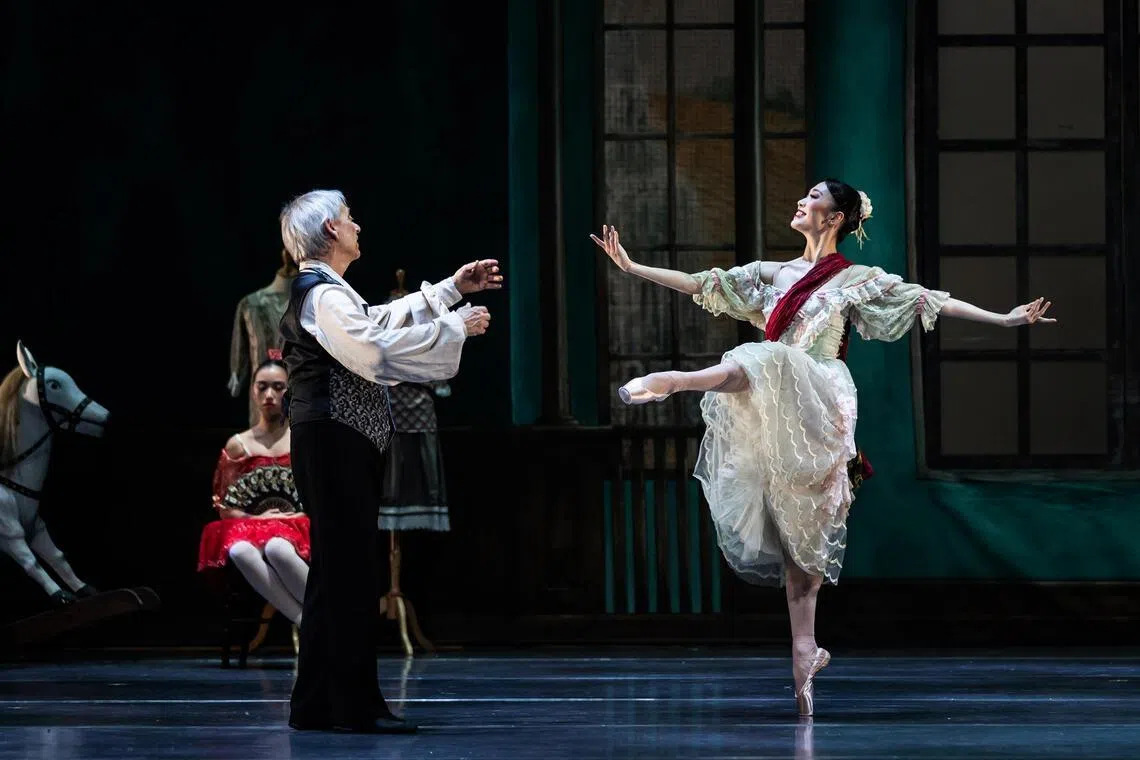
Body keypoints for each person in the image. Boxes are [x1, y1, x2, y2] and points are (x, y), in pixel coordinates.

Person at [592, 179, 1055, 717]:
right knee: (794, 529)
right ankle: (804, 651)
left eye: (812, 198)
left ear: (835, 217)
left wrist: (1003, 318)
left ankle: (676, 379)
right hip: (774, 398)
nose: (801, 202)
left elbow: (930, 300)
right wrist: (633, 268)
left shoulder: (857, 280)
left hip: (821, 395)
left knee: (773, 381)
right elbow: (700, 283)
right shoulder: (772, 274)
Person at [278, 189, 500, 734]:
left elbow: (375, 319)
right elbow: (375, 349)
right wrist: (453, 328)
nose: (359, 226)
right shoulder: (321, 295)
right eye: (351, 218)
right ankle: (354, 707)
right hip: (332, 440)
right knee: (351, 575)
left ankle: (315, 704)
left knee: (335, 575)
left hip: (336, 440)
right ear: (331, 229)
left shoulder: (329, 293)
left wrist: (449, 290)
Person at [198, 357, 309, 626]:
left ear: (290, 390)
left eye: (278, 387)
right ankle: (307, 622)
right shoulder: (239, 445)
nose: (270, 395)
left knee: (278, 548)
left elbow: (324, 493)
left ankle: (325, 614)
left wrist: (294, 516)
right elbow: (224, 504)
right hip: (253, 525)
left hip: (299, 523)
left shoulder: (304, 439)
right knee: (239, 551)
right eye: (262, 387)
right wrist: (257, 520)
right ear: (253, 390)